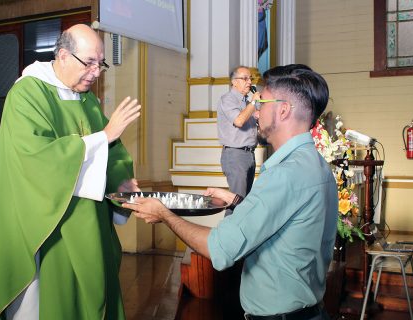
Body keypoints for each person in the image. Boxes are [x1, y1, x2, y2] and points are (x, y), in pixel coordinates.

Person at [125, 66, 338, 319]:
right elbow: (285, 220)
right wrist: (237, 201)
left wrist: (165, 214)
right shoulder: (316, 165)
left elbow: (221, 249)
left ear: (282, 110)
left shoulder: (285, 173)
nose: (256, 112)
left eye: (262, 103)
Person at [0, 24, 141, 320]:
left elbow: (112, 149)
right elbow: (35, 159)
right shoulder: (27, 94)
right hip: (45, 224)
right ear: (63, 55)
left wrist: (123, 181)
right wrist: (104, 136)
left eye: (100, 64)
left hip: (87, 220)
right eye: (89, 62)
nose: (96, 72)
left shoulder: (86, 98)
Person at [217, 66, 261, 216]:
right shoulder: (228, 99)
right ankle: (227, 237)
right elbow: (239, 121)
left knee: (244, 203)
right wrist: (253, 105)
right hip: (236, 155)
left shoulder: (246, 102)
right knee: (236, 203)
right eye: (245, 78)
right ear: (234, 82)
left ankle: (240, 237)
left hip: (249, 155)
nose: (249, 82)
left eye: (250, 79)